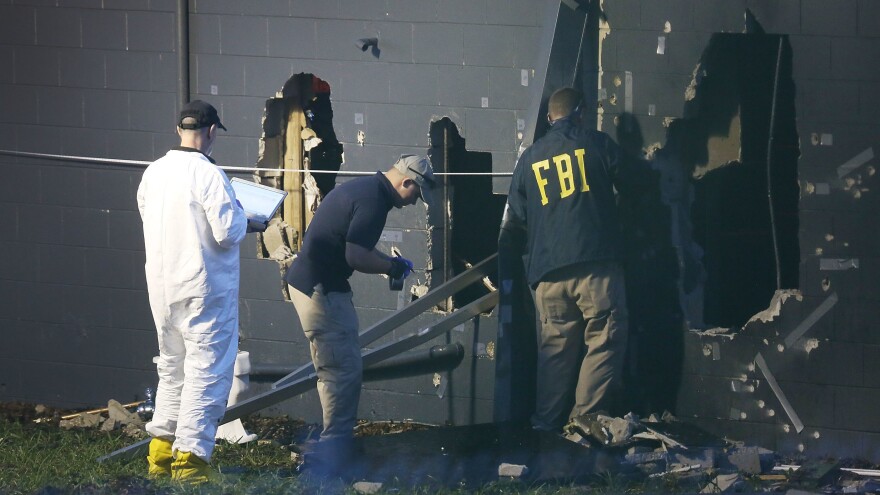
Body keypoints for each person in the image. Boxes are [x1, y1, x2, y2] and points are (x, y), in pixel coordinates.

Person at [498, 87, 636, 432]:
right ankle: (582, 427)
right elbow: (636, 186)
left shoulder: (529, 157)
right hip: (596, 265)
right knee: (603, 342)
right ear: (582, 112)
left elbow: (515, 219)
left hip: (547, 273)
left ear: (549, 118)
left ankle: (544, 426)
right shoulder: (598, 143)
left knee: (554, 353)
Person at [284, 154, 434, 467]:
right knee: (342, 370)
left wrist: (389, 263)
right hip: (320, 289)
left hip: (314, 283)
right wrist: (392, 266)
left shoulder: (365, 189)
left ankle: (334, 443)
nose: (413, 204)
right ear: (406, 182)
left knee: (337, 366)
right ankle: (335, 451)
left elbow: (357, 245)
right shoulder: (374, 202)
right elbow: (356, 256)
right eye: (415, 195)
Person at [137, 100, 250, 482]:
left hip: (162, 289)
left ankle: (161, 454)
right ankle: (191, 463)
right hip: (204, 290)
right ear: (213, 131)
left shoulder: (153, 172)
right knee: (207, 371)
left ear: (178, 129)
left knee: (172, 370)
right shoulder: (208, 174)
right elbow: (228, 231)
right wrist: (246, 216)